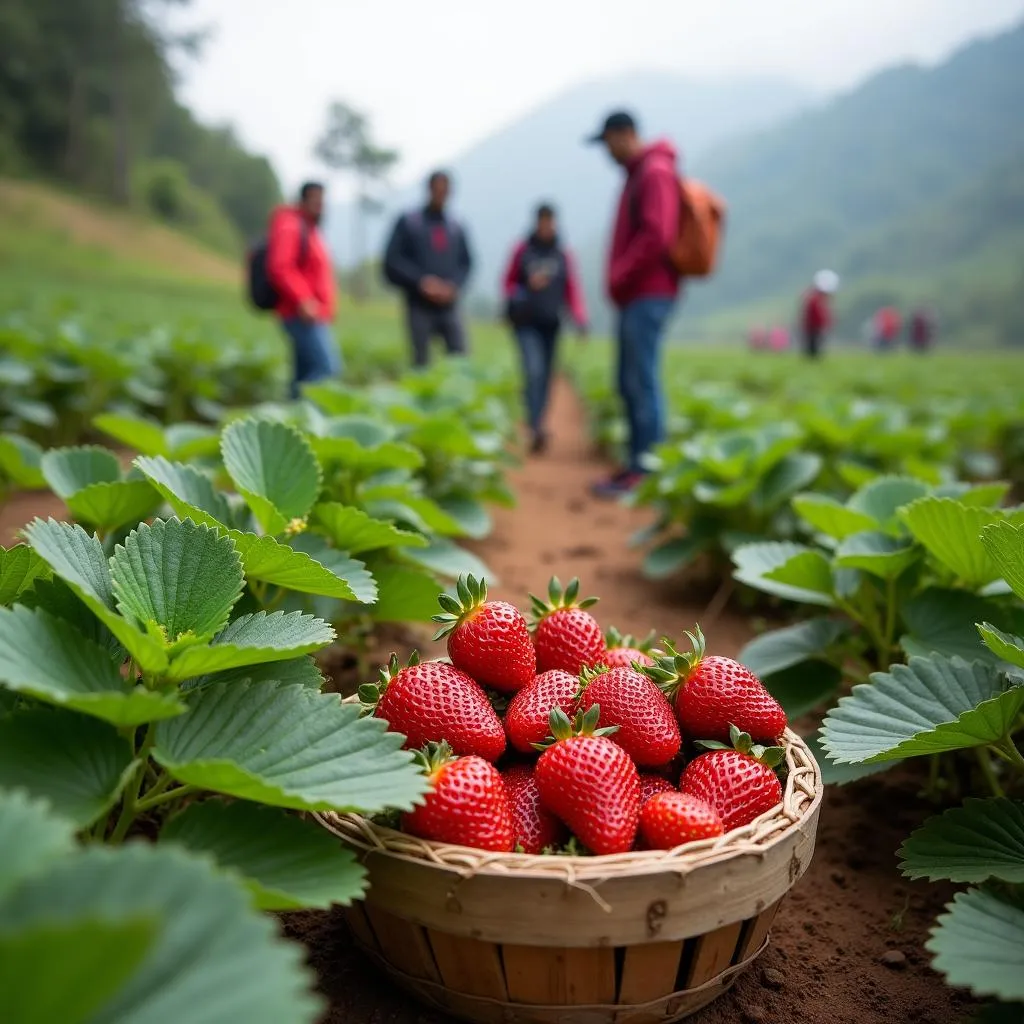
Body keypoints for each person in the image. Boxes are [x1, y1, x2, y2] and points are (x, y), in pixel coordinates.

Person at [586, 111, 682, 498]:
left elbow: (658, 235)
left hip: (648, 292)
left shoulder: (654, 171)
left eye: (608, 141)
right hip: (638, 295)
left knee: (642, 381)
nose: (606, 151)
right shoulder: (639, 172)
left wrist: (620, 273)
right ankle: (635, 466)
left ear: (624, 135)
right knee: (630, 381)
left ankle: (645, 471)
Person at [501, 203, 589, 454]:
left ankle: (538, 423)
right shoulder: (522, 251)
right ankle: (534, 423)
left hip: (552, 324)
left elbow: (572, 290)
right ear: (536, 222)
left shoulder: (563, 255)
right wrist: (526, 288)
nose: (546, 226)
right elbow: (507, 284)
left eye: (550, 222)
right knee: (533, 370)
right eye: (543, 221)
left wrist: (580, 318)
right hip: (526, 323)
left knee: (547, 375)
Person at [383, 171, 473, 368]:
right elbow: (392, 261)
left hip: (449, 304)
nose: (441, 194)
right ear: (429, 190)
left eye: (445, 190)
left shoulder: (455, 227)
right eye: (437, 189)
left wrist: (453, 286)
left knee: (460, 359)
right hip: (419, 304)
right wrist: (421, 282)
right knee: (421, 362)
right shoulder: (409, 223)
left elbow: (467, 263)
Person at [267, 181, 340, 397]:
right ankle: (305, 414)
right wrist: (304, 299)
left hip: (315, 313)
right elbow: (281, 267)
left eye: (322, 202)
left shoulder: (310, 229)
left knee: (303, 373)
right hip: (301, 313)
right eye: (315, 201)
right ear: (303, 200)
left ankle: (293, 419)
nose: (320, 206)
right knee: (327, 368)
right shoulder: (291, 225)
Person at [801, 270, 838, 358]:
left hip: (815, 327)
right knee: (812, 347)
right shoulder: (814, 299)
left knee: (815, 346)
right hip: (813, 327)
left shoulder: (816, 298)